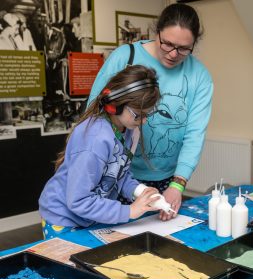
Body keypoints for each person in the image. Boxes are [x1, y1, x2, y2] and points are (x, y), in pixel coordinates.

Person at [87, 3, 213, 221]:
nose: (174, 54)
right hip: (118, 173)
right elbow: (94, 112)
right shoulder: (125, 57)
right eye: (168, 44)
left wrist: (178, 184)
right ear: (157, 32)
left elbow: (195, 134)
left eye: (184, 49)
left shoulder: (199, 76)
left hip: (167, 178)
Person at [39, 65, 161, 239]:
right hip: (63, 218)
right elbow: (78, 200)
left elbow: (118, 173)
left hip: (89, 216)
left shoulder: (129, 129)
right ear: (114, 105)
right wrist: (130, 211)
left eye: (148, 114)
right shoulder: (95, 139)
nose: (143, 121)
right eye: (138, 115)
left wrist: (140, 191)